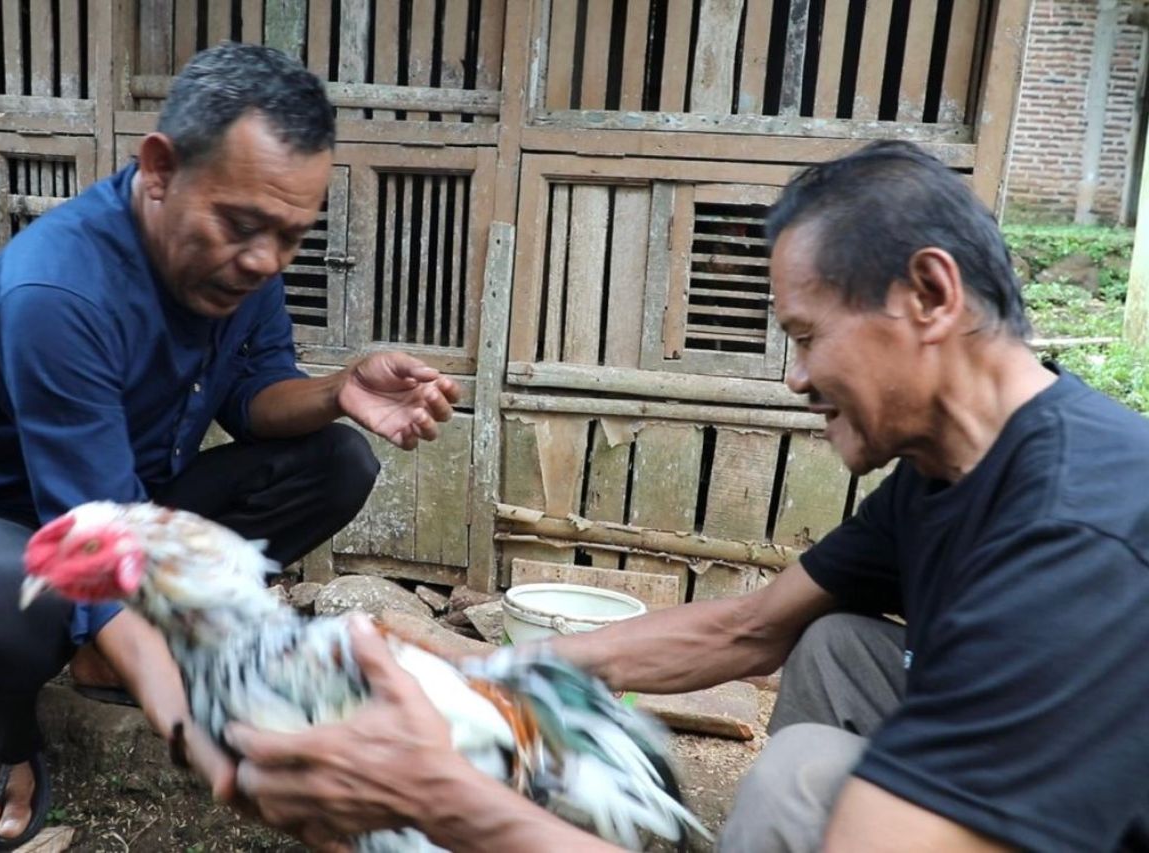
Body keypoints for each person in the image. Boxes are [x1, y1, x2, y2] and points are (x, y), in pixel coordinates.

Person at [220, 141, 1149, 852]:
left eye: (805, 334)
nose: (794, 378)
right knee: (835, 643)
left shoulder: (1074, 533)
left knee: (795, 778)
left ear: (931, 294)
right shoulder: (950, 468)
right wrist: (480, 679)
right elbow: (744, 630)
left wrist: (442, 800)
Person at [0, 42, 458, 848]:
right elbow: (95, 549)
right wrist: (212, 743)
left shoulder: (240, 264)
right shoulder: (62, 290)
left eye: (290, 237)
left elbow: (256, 398)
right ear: (159, 167)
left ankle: (100, 654)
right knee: (1, 612)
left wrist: (340, 391)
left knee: (337, 460)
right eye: (241, 225)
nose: (263, 261)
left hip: (121, 507)